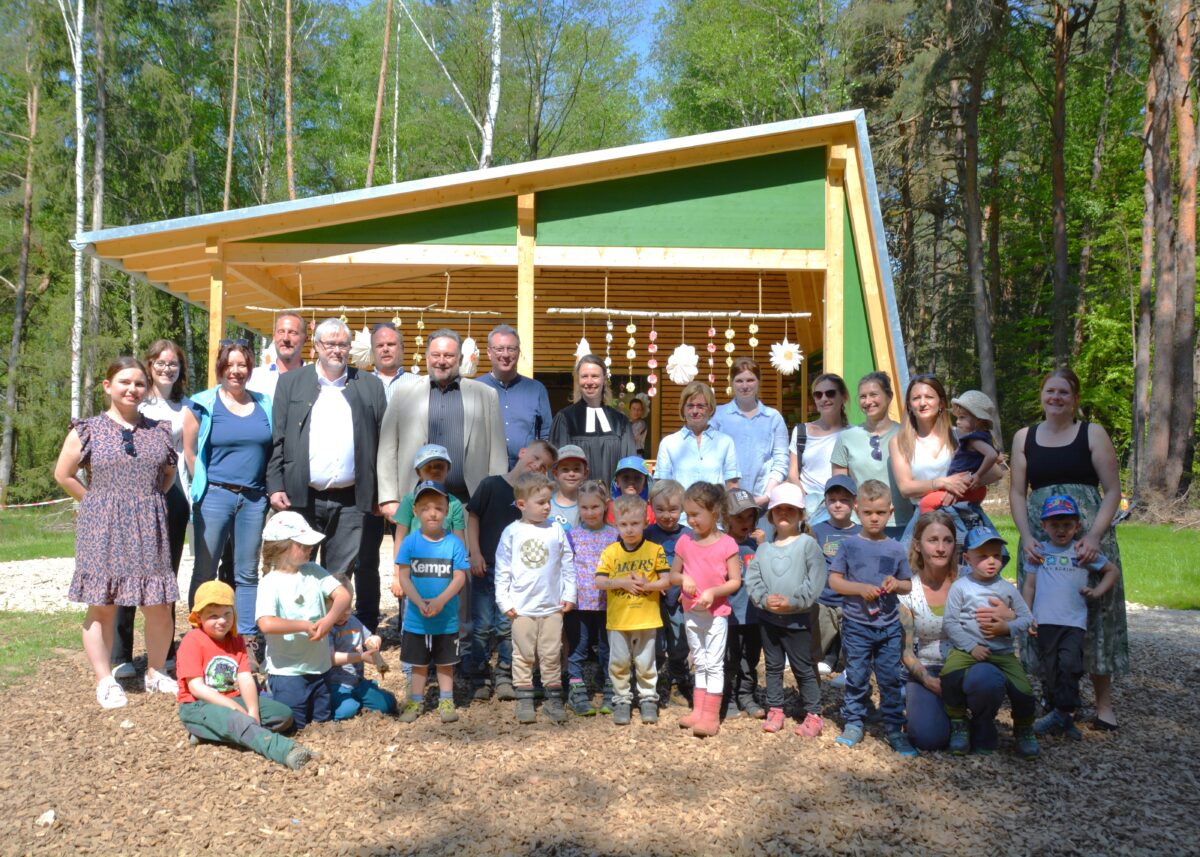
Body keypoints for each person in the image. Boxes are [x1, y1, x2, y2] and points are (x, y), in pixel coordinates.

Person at [54, 356, 180, 708]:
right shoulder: (88, 430)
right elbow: (63, 474)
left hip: (148, 523)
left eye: (139, 383)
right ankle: (104, 679)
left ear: (146, 389)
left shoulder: (158, 431)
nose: (132, 389)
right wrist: (96, 501)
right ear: (108, 386)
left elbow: (168, 475)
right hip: (102, 526)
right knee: (103, 604)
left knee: (157, 603)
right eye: (124, 382)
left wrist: (146, 501)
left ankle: (156, 672)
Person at [1009, 367, 1127, 731]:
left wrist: (1093, 537)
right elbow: (1016, 491)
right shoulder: (1024, 437)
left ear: (1075, 399)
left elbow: (1112, 490)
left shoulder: (1091, 433)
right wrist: (1027, 536)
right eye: (1050, 391)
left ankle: (1103, 704)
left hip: (1088, 537)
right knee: (1043, 612)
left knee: (1096, 612)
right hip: (1041, 540)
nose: (1056, 397)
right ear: (1041, 395)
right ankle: (1054, 699)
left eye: (1064, 392)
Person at [267, 318, 388, 632]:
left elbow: (383, 442)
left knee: (338, 577)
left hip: (351, 500)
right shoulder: (292, 383)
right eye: (330, 343)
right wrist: (275, 484)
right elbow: (278, 437)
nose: (337, 349)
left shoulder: (370, 385)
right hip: (301, 496)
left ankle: (333, 642)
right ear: (317, 346)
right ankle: (294, 637)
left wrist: (382, 493)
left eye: (342, 344)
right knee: (295, 569)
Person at [184, 341, 273, 663]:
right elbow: (191, 451)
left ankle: (246, 640)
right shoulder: (203, 404)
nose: (236, 371)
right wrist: (202, 487)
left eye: (243, 365)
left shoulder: (265, 404)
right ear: (221, 367)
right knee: (206, 569)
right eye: (230, 365)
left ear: (250, 369)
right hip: (215, 496)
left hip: (253, 499)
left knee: (247, 573)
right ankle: (201, 636)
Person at [898, 511, 1010, 752]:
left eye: (947, 540)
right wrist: (928, 681)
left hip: (971, 661)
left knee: (988, 680)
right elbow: (906, 652)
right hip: (930, 668)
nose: (940, 548)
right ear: (917, 545)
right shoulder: (908, 589)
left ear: (956, 545)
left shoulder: (973, 580)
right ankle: (949, 716)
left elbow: (1009, 610)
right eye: (932, 540)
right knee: (928, 739)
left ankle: (981, 722)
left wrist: (1007, 619)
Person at [111, 339, 191, 679]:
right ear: (149, 365)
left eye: (173, 363)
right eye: (160, 362)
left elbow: (190, 457)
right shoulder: (136, 399)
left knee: (164, 577)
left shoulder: (186, 407)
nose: (166, 368)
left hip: (172, 497)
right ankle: (120, 654)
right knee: (126, 573)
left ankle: (165, 649)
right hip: (133, 497)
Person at [176, 581, 317, 769]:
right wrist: (235, 708)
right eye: (213, 616)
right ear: (199, 617)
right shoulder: (192, 640)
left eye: (227, 614)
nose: (222, 621)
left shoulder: (236, 640)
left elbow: (245, 678)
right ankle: (288, 751)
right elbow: (196, 687)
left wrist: (253, 712)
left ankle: (210, 732)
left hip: (231, 698)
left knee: (283, 715)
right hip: (197, 706)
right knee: (238, 720)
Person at [827, 479, 917, 756]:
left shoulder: (895, 548)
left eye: (880, 512)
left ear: (890, 512)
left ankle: (893, 727)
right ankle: (853, 722)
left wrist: (895, 584)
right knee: (856, 675)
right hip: (857, 625)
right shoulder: (850, 546)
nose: (874, 518)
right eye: (868, 512)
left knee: (890, 678)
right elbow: (835, 581)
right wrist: (860, 589)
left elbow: (908, 584)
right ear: (857, 510)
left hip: (889, 625)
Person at [464, 440, 558, 700]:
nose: (537, 466)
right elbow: (473, 517)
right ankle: (480, 675)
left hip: (517, 575)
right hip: (486, 567)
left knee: (508, 625)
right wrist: (475, 553)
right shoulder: (491, 484)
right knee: (482, 624)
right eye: (536, 458)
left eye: (544, 467)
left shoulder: (534, 499)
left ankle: (506, 673)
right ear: (523, 452)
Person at [1023, 495, 1120, 741]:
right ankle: (1061, 715)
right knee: (1051, 669)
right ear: (1043, 526)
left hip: (1074, 622)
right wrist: (1027, 615)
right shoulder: (1039, 552)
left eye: (1067, 524)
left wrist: (1097, 591)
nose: (1061, 530)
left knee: (1071, 666)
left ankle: (1063, 712)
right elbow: (1030, 586)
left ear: (1077, 526)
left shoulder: (1081, 551)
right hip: (1045, 621)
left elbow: (1112, 571)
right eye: (1054, 524)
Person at [378, 328, 508, 510]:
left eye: (448, 356)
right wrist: (388, 498)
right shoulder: (403, 393)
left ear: (460, 359)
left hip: (470, 504)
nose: (441, 361)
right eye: (435, 355)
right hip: (415, 502)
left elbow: (498, 454)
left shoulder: (486, 395)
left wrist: (496, 496)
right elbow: (387, 448)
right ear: (427, 357)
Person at [942, 526, 1038, 758]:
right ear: (968, 558)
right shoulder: (960, 588)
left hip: (1002, 652)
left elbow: (1027, 618)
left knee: (1024, 690)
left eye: (996, 555)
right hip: (966, 650)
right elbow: (951, 623)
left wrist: (1007, 628)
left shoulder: (1007, 589)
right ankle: (959, 720)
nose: (991, 562)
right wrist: (971, 647)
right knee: (949, 676)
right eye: (983, 557)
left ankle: (1024, 727)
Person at [255, 511, 351, 730]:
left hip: (320, 669)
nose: (310, 549)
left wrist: (328, 621)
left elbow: (343, 595)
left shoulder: (314, 571)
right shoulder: (271, 583)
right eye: (302, 545)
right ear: (282, 546)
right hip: (287, 672)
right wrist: (303, 626)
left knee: (322, 720)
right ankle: (262, 696)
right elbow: (266, 623)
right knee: (294, 725)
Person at [495, 473, 577, 723]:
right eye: (540, 502)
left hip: (552, 607)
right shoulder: (512, 532)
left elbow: (567, 564)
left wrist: (569, 593)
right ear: (522, 504)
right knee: (523, 654)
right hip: (522, 608)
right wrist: (504, 602)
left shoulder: (556, 529)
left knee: (552, 653)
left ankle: (553, 700)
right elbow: (503, 569)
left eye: (548, 501)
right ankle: (525, 698)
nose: (547, 506)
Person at [746, 482, 826, 737]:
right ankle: (775, 708)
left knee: (803, 666)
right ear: (770, 515)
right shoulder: (764, 549)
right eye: (779, 509)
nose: (784, 513)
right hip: (769, 618)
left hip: (797, 619)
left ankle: (814, 713)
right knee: (772, 665)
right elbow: (754, 578)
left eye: (791, 509)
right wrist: (763, 599)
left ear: (801, 514)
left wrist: (794, 601)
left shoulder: (807, 545)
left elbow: (815, 581)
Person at [889, 374, 1003, 545]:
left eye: (929, 397)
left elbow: (996, 472)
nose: (922, 403)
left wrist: (960, 485)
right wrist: (942, 483)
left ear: (941, 403)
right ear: (909, 406)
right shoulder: (899, 441)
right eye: (916, 398)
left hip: (964, 512)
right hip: (927, 514)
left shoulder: (960, 435)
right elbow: (906, 488)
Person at [392, 481, 470, 724]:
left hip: (446, 618)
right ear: (415, 511)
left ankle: (446, 699)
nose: (432, 513)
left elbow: (459, 577)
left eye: (438, 507)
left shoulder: (454, 543)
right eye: (425, 508)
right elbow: (403, 575)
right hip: (417, 618)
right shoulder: (411, 542)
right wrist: (417, 602)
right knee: (418, 663)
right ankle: (416, 700)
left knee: (446, 663)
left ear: (447, 511)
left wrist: (440, 600)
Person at [670, 482, 741, 737]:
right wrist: (682, 581)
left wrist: (713, 592)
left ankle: (711, 716)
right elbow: (673, 574)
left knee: (714, 664)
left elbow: (734, 581)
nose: (690, 520)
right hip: (691, 612)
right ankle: (699, 711)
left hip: (716, 615)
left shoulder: (727, 544)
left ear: (715, 512)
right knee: (699, 661)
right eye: (687, 514)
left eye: (696, 514)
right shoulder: (685, 541)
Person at [595, 493, 672, 725]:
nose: (629, 529)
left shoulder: (654, 550)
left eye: (635, 524)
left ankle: (648, 698)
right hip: (618, 621)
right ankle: (622, 700)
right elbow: (599, 582)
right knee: (618, 663)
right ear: (615, 524)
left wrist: (647, 585)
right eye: (624, 524)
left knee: (646, 662)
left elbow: (666, 581)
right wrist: (622, 582)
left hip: (646, 619)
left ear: (645, 523)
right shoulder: (611, 552)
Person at [357, 321, 407, 634]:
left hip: (405, 484)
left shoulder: (417, 383)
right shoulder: (359, 383)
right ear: (372, 351)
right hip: (367, 484)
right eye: (380, 345)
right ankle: (367, 623)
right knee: (365, 558)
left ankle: (409, 623)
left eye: (392, 344)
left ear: (402, 349)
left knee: (409, 554)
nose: (386, 349)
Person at [711, 357, 789, 534]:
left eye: (750, 380)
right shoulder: (719, 416)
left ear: (758, 382)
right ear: (732, 383)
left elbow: (781, 460)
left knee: (761, 553)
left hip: (762, 504)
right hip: (727, 505)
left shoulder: (773, 417)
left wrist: (767, 495)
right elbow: (712, 459)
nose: (745, 386)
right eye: (739, 380)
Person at [565, 480, 617, 716]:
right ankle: (576, 689)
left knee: (607, 649)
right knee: (578, 648)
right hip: (578, 603)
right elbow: (565, 568)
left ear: (606, 506)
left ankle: (610, 688)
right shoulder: (572, 535)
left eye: (595, 507)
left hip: (609, 603)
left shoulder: (615, 535)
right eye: (584, 508)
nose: (590, 513)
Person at [830, 371, 905, 534]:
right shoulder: (846, 438)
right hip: (859, 525)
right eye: (863, 396)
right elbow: (840, 487)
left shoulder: (906, 435)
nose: (868, 401)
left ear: (889, 396)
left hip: (901, 523)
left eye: (873, 395)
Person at [549, 354, 637, 488]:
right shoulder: (565, 418)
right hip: (577, 501)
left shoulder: (620, 422)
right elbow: (557, 467)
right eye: (584, 376)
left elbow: (629, 466)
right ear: (578, 380)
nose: (589, 382)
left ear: (604, 379)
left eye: (595, 376)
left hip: (614, 501)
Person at [478, 324, 553, 469]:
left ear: (518, 352)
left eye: (511, 349)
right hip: (484, 473)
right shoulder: (475, 389)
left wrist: (537, 455)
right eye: (499, 349)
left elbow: (546, 436)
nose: (505, 355)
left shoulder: (537, 389)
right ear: (489, 353)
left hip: (526, 474)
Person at [644, 478, 691, 705]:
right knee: (654, 642)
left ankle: (678, 684)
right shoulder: (647, 533)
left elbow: (698, 564)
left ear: (682, 508)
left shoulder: (689, 535)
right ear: (651, 506)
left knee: (680, 641)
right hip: (653, 597)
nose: (667, 515)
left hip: (680, 598)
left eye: (673, 509)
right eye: (660, 509)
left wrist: (688, 586)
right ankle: (650, 687)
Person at [327, 573, 398, 721]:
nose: (346, 613)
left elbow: (369, 637)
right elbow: (331, 658)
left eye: (349, 608)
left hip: (357, 681)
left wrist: (375, 639)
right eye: (340, 609)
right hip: (336, 684)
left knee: (388, 705)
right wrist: (360, 657)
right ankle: (345, 703)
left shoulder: (353, 621)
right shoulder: (327, 628)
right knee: (346, 711)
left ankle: (362, 697)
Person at [810, 475, 862, 676]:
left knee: (852, 635)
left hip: (851, 601)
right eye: (832, 500)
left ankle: (849, 663)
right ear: (825, 502)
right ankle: (827, 657)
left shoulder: (861, 532)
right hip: (824, 598)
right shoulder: (817, 531)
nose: (838, 505)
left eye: (844, 500)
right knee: (822, 632)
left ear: (854, 503)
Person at [919, 390, 1001, 513]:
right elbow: (996, 457)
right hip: (975, 490)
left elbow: (993, 456)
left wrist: (977, 475)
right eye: (957, 418)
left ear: (978, 420)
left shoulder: (974, 440)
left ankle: (931, 528)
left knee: (926, 503)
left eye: (962, 417)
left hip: (967, 488)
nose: (957, 421)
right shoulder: (984, 437)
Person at [653, 380, 740, 495]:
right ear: (683, 409)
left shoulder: (725, 442)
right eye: (690, 406)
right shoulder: (669, 443)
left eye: (701, 406)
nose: (695, 411)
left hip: (715, 511)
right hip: (681, 512)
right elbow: (662, 487)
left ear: (710, 409)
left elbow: (732, 485)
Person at [722, 488, 764, 719]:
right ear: (725, 518)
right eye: (739, 517)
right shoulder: (720, 545)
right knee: (728, 659)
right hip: (728, 614)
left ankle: (746, 695)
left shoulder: (757, 546)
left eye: (750, 517)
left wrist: (766, 547)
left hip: (754, 614)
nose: (745, 522)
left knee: (751, 658)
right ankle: (726, 699)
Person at [789, 373, 850, 523]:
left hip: (839, 503)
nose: (824, 399)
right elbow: (792, 473)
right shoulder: (801, 431)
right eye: (818, 395)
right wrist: (804, 503)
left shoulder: (852, 434)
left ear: (843, 397)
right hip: (808, 503)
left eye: (830, 393)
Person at [392, 444, 467, 544]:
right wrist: (399, 560)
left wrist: (461, 559)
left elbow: (459, 539)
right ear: (418, 473)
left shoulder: (454, 503)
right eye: (428, 467)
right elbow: (400, 539)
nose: (434, 471)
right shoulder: (409, 500)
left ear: (447, 469)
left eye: (439, 467)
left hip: (445, 557)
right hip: (415, 557)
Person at [247, 312, 307, 400]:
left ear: (305, 339)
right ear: (274, 337)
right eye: (281, 332)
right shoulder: (254, 379)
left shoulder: (315, 379)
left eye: (293, 333)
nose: (286, 338)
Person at [550, 444, 589, 529]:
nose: (571, 474)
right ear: (555, 473)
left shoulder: (590, 506)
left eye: (576, 469)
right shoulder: (545, 504)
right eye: (565, 469)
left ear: (585, 473)